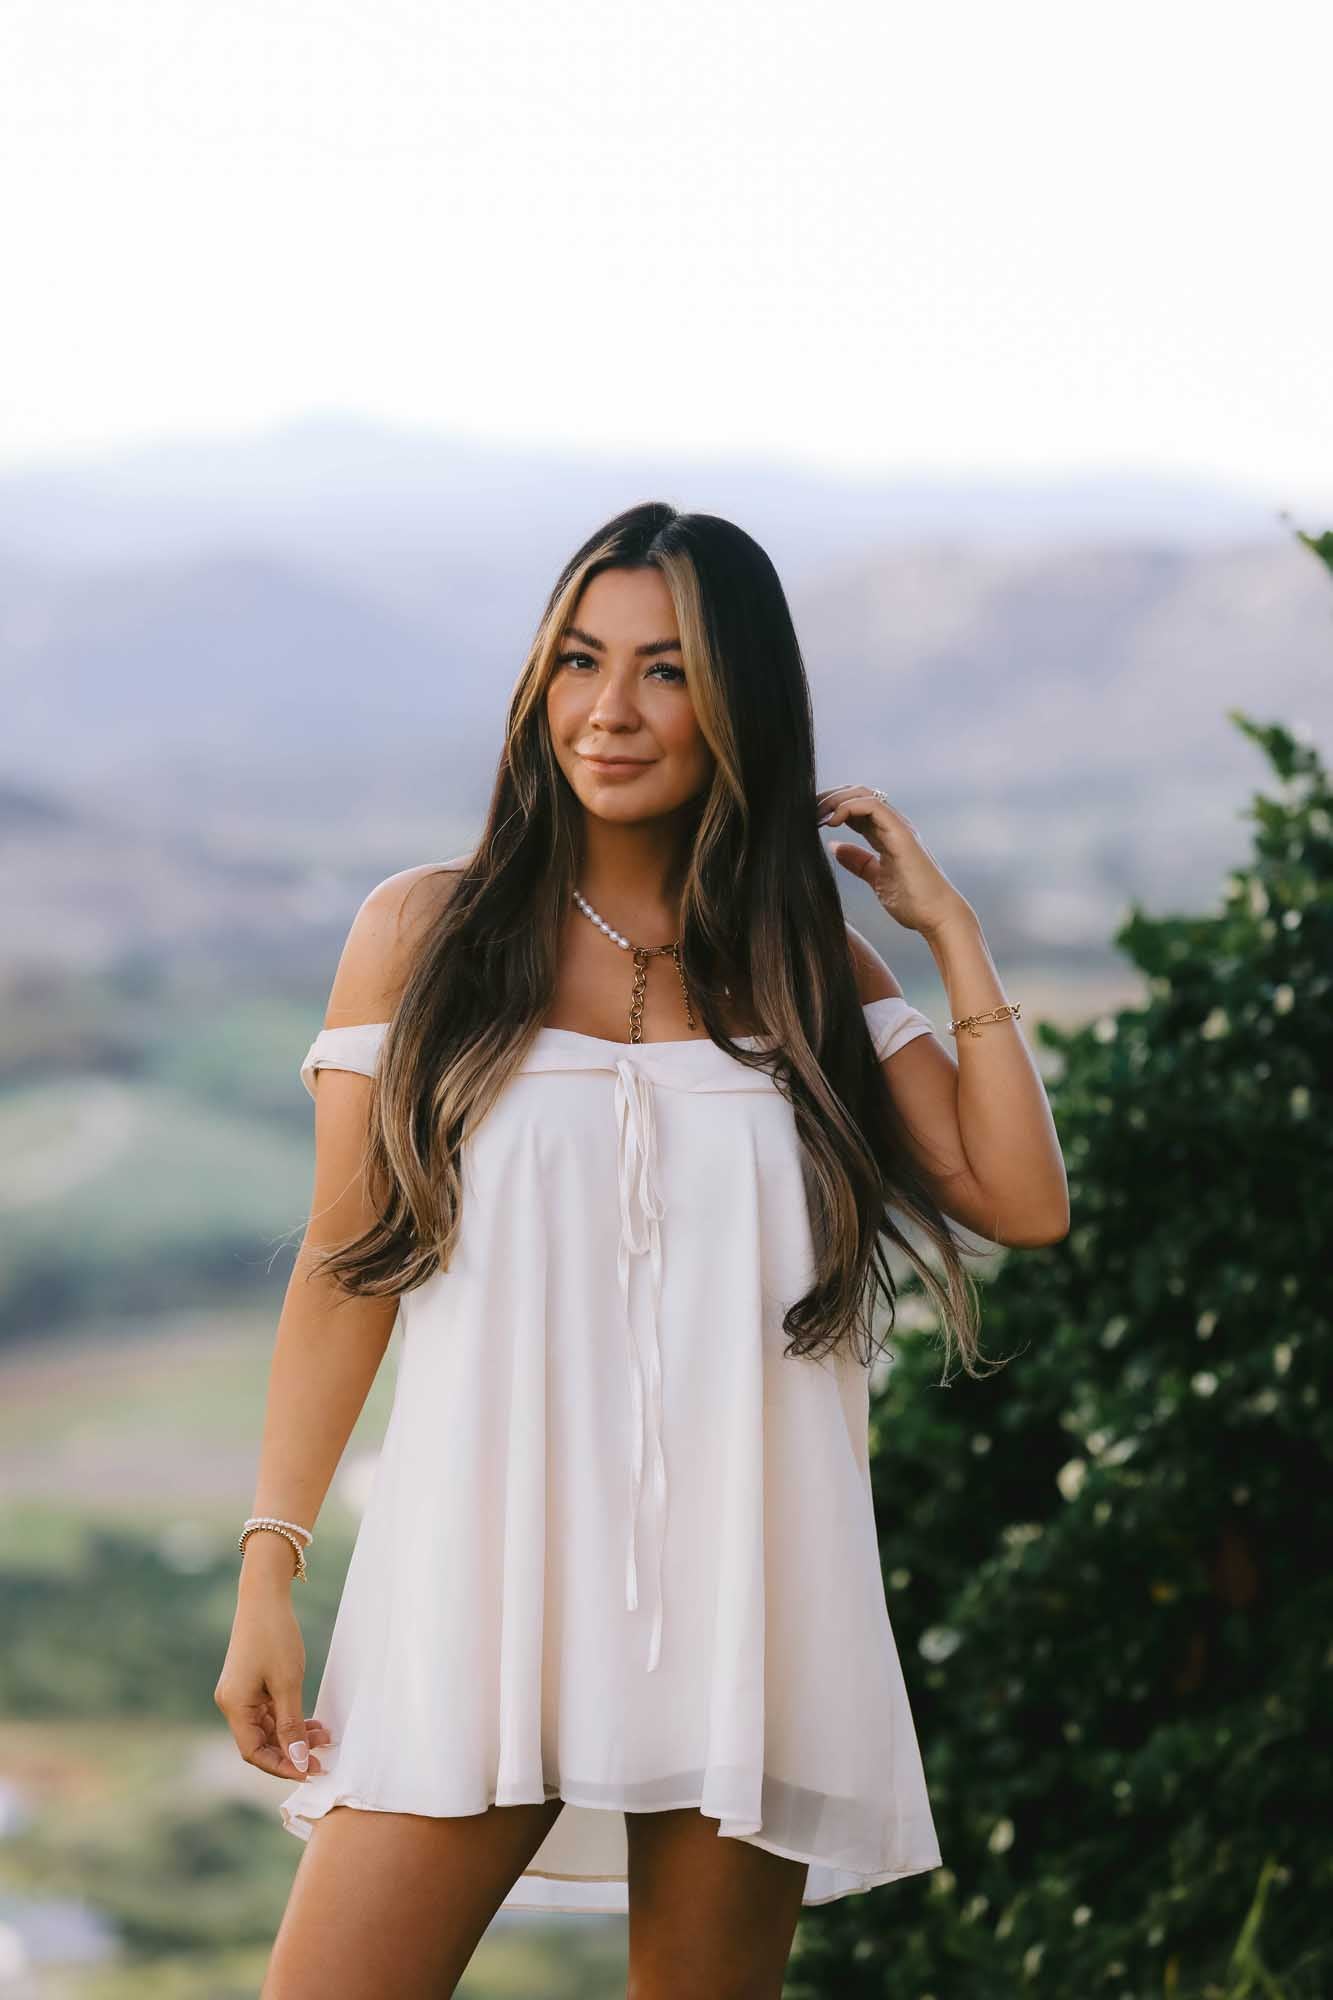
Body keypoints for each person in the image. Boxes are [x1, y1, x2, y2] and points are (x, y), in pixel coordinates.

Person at [214, 501, 1070, 1999]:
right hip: (479, 1582)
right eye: (579, 660)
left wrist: (947, 933)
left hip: (751, 1587)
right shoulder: (425, 932)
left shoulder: (805, 953)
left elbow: (1018, 1199)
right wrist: (268, 1570)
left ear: (737, 703)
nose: (609, 711)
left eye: (665, 671)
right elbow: (346, 1266)